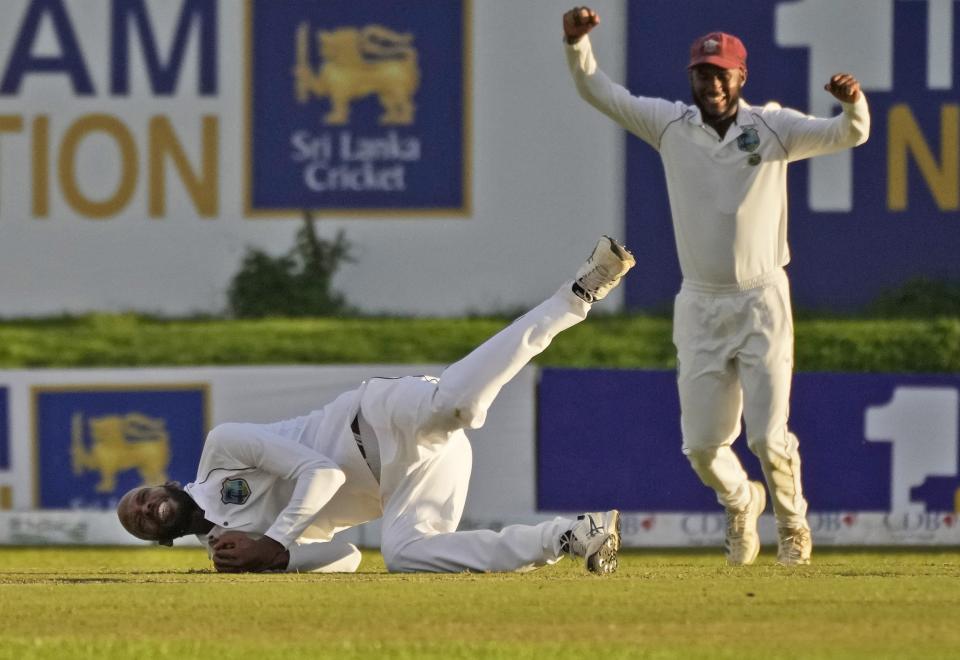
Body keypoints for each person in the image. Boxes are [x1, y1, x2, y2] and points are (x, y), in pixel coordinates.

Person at [117, 237, 635, 574]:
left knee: (456, 406)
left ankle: (576, 296)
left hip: (376, 417)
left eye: (139, 499)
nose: (143, 511)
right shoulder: (230, 556)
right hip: (401, 482)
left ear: (164, 485)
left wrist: (273, 543)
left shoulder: (221, 447)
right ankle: (572, 535)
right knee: (405, 555)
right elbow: (345, 556)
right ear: (159, 541)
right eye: (138, 523)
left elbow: (322, 474)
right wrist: (271, 562)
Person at [562, 7, 870, 566]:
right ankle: (741, 501)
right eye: (703, 73)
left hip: (762, 299)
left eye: (722, 72)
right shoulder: (670, 125)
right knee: (704, 448)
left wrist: (852, 102)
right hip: (700, 303)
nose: (713, 83)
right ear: (692, 78)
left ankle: (794, 527)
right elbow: (596, 90)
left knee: (767, 437)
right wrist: (576, 44)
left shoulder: (773, 128)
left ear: (741, 76)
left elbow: (851, 132)